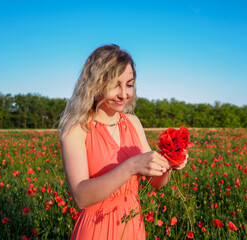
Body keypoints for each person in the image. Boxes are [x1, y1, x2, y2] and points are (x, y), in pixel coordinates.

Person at [59, 44, 187, 239]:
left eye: (129, 84)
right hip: (96, 229)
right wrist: (131, 166)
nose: (124, 94)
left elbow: (156, 183)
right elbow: (81, 197)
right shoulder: (76, 128)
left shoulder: (133, 122)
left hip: (132, 226)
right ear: (94, 84)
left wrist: (169, 163)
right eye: (114, 85)